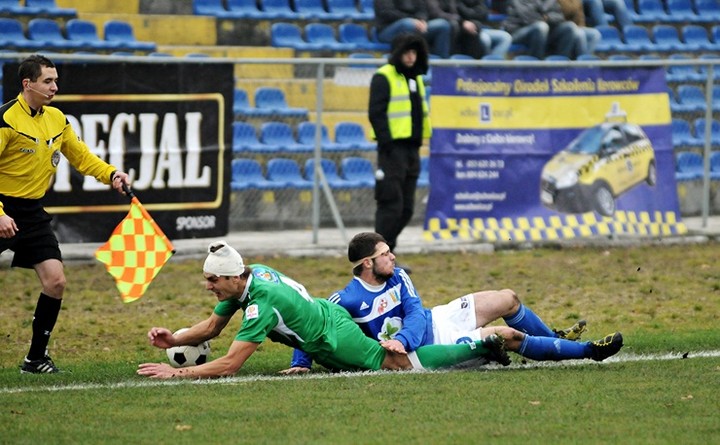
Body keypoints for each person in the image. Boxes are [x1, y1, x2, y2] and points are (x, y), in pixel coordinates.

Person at [137, 241, 511, 379]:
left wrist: (178, 375)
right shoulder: (252, 276)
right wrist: (178, 337)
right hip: (325, 319)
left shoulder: (260, 305)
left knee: (395, 365)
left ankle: (480, 347)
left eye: (212, 281)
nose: (208, 286)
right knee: (391, 362)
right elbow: (212, 327)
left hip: (333, 338)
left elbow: (231, 364)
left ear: (234, 277)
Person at [285, 232, 624, 373]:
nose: (393, 256)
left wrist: (401, 339)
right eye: (385, 254)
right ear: (367, 264)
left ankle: (555, 339)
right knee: (506, 335)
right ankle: (588, 351)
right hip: (432, 346)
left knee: (508, 298)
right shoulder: (346, 299)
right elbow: (314, 325)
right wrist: (301, 361)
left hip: (436, 321)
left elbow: (416, 313)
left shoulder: (399, 276)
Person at [0, 54, 131, 374]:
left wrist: (112, 174)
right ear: (27, 84)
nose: (55, 87)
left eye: (56, 80)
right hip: (2, 207)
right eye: (48, 81)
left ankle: (35, 359)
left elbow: (82, 157)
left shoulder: (57, 119)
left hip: (30, 213)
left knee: (56, 281)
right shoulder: (5, 119)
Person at [368, 34, 430, 271]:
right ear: (398, 52)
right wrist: (387, 144)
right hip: (392, 150)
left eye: (415, 52)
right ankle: (375, 258)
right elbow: (376, 113)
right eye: (407, 52)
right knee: (390, 204)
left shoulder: (416, 78)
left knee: (406, 208)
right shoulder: (384, 76)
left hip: (412, 150)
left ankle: (387, 254)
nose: (411, 56)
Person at [428, 0, 513, 59]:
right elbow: (461, 13)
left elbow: (485, 13)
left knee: (505, 37)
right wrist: (468, 18)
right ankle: (481, 69)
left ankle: (491, 68)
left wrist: (474, 16)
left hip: (478, 25)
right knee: (484, 39)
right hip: (463, 25)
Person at [373, 0, 452, 58]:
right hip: (388, 30)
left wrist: (422, 20)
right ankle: (412, 62)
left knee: (442, 25)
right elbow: (387, 13)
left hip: (415, 25)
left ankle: (441, 66)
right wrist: (412, 20)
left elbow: (422, 9)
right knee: (407, 24)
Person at [503, 0, 578, 59]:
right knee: (541, 27)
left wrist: (548, 18)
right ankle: (537, 66)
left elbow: (559, 17)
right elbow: (527, 18)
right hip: (518, 31)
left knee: (569, 27)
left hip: (546, 31)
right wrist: (545, 17)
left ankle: (559, 65)